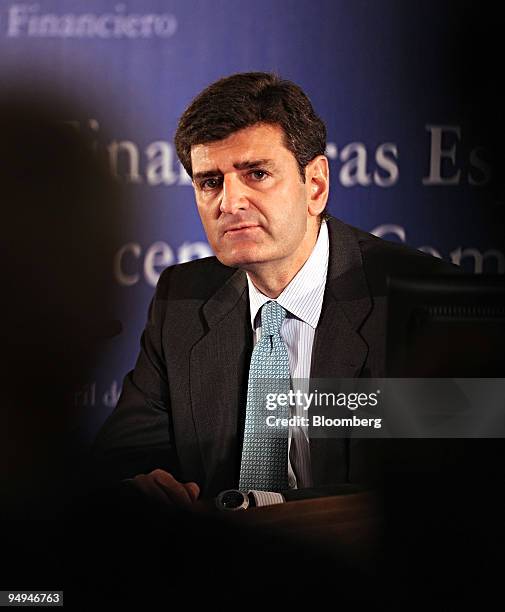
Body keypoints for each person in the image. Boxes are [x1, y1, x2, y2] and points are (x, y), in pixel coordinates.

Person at [91, 72, 457, 510]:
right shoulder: (182, 298)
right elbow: (122, 459)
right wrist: (141, 486)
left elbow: (450, 488)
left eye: (257, 174)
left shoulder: (424, 301)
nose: (230, 202)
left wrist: (266, 513)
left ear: (315, 185)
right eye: (211, 182)